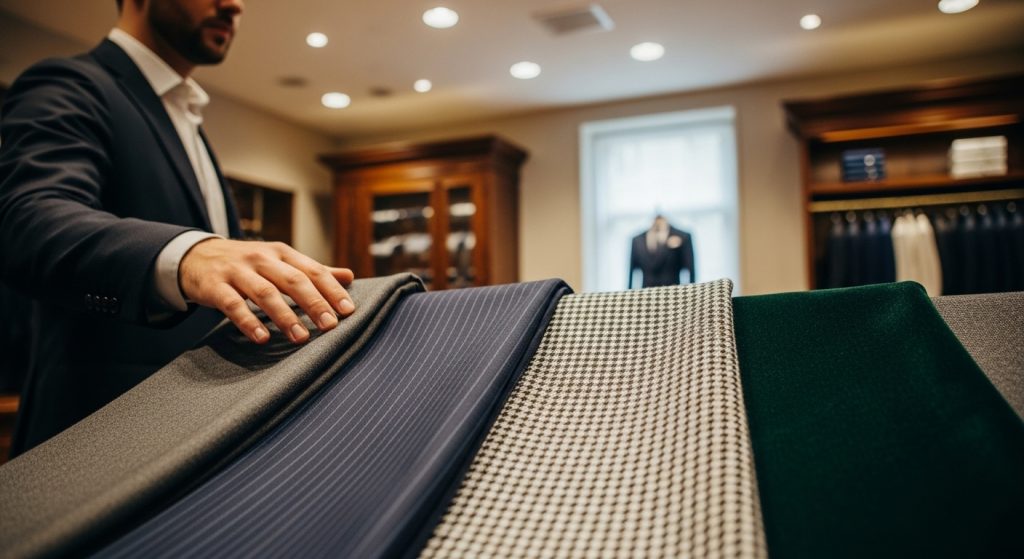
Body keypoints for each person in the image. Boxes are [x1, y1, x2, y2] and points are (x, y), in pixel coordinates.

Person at [0, 0, 356, 456]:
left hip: (197, 435)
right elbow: (26, 219)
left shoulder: (185, 114)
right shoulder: (70, 83)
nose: (234, 4)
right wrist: (187, 254)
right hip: (95, 441)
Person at [627, 215, 695, 288]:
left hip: (673, 291)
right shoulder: (637, 240)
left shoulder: (683, 236)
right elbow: (631, 271)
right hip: (647, 291)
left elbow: (691, 268)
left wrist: (691, 292)